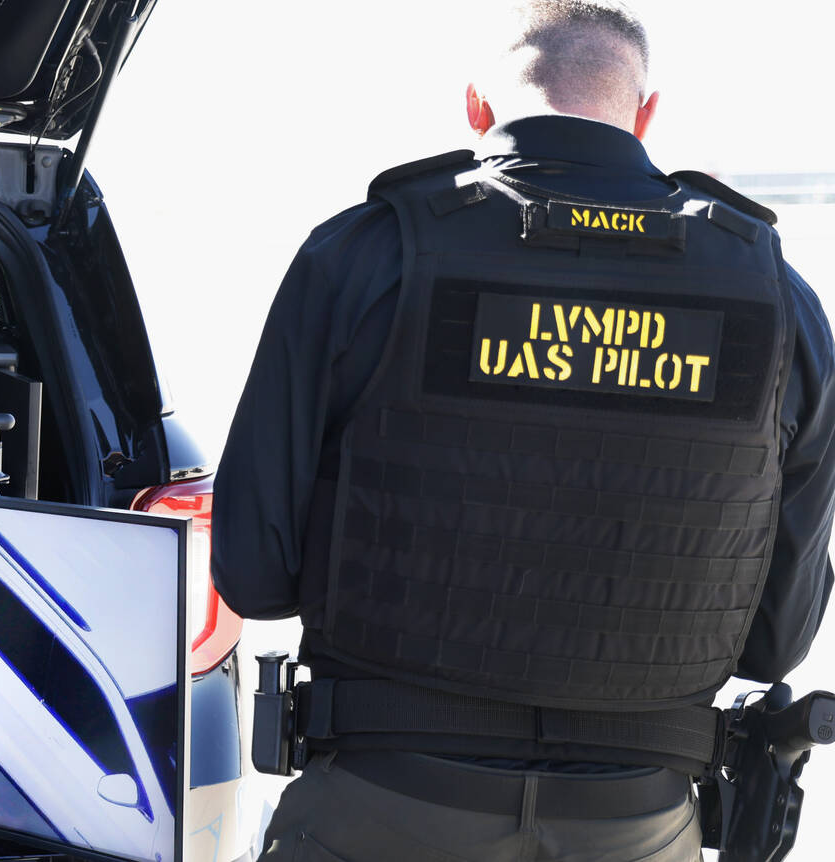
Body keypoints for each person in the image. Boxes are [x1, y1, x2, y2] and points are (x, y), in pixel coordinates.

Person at [212, 2, 835, 860]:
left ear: (476, 105)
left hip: (382, 805)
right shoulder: (782, 302)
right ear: (647, 115)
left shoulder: (363, 256)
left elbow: (253, 574)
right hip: (640, 822)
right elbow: (774, 644)